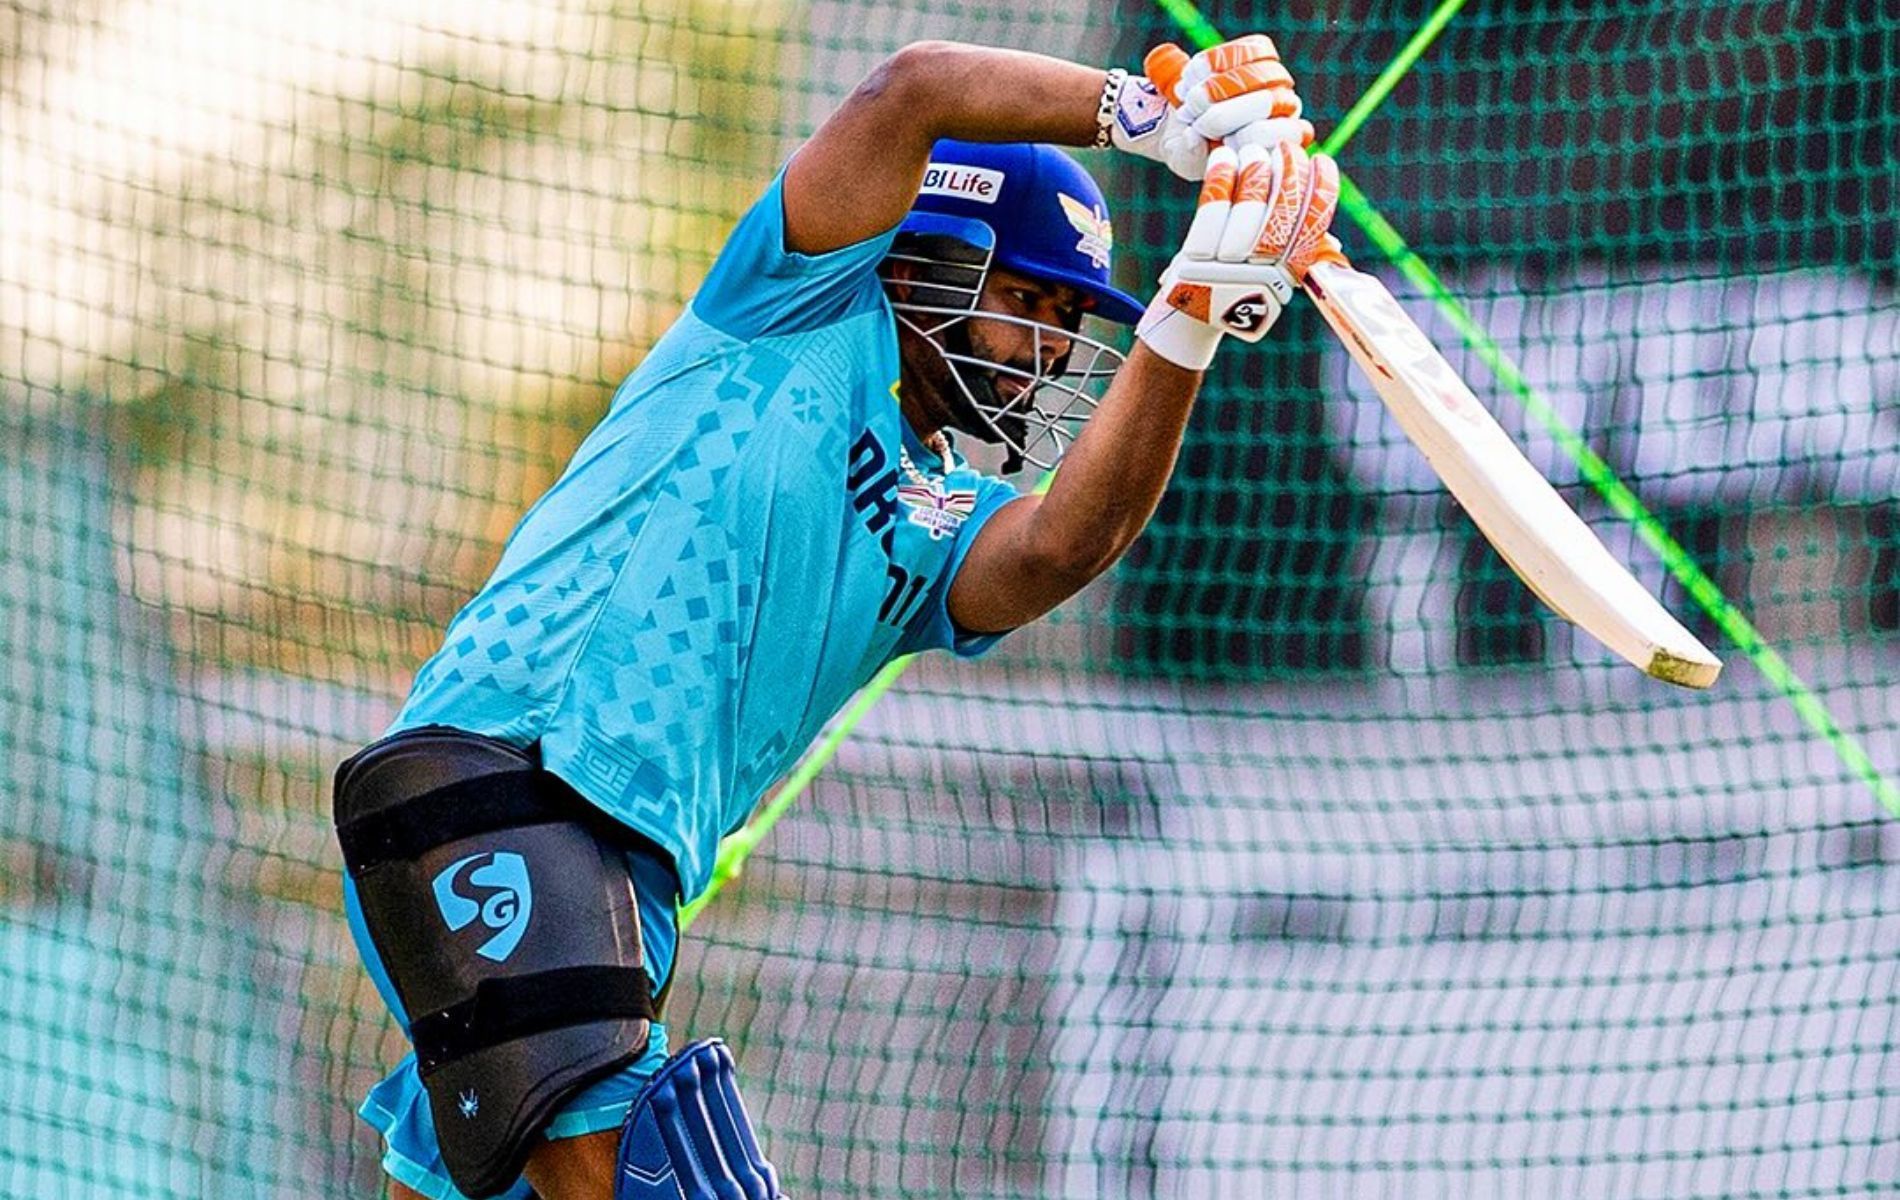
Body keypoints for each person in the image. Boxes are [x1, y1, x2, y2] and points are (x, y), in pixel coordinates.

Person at [332, 33, 1340, 1200]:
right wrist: (1148, 117)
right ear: (928, 255)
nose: (1051, 349)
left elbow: (1067, 541)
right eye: (1029, 300)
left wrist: (1193, 316)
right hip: (508, 778)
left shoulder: (947, 517)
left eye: (1073, 320)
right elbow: (912, 87)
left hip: (620, 889)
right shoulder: (799, 299)